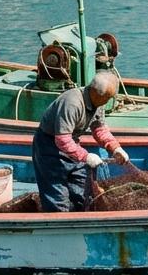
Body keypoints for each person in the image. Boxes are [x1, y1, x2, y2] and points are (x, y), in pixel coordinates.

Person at [32, 71, 130, 212]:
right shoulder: (72, 103)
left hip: (72, 146)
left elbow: (99, 128)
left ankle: (79, 220)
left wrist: (115, 148)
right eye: (107, 98)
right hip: (49, 148)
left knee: (83, 193)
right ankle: (60, 223)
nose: (108, 102)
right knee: (57, 200)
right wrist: (86, 156)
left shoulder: (98, 102)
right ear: (96, 94)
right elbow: (62, 140)